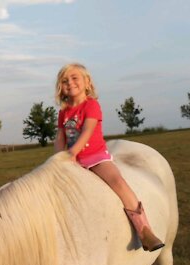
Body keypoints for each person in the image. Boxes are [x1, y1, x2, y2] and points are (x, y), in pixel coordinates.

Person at [53, 63, 164, 252]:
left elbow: (87, 131)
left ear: (87, 83)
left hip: (94, 158)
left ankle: (145, 230)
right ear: (60, 87)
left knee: (118, 182)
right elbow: (60, 137)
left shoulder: (91, 105)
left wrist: (72, 154)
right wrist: (58, 158)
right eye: (65, 81)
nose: (70, 83)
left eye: (74, 78)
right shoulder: (64, 112)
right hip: (73, 162)